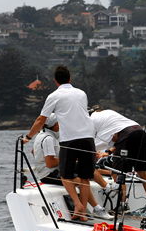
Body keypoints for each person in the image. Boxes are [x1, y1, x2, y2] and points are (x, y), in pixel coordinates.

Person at [23, 65, 96, 221]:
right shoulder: (82, 93)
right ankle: (82, 215)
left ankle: (77, 204)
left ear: (55, 81)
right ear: (70, 79)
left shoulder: (53, 96)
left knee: (65, 175)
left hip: (70, 138)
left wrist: (28, 137)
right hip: (88, 137)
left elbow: (41, 119)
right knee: (85, 178)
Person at [32, 114, 112, 220]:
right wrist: (69, 159)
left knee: (85, 165)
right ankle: (96, 207)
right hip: (49, 174)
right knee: (82, 181)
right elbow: (50, 163)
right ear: (56, 125)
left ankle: (106, 186)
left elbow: (33, 151)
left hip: (55, 169)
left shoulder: (41, 135)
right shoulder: (49, 139)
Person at [90, 106, 146, 204]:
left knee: (117, 173)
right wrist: (108, 152)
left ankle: (122, 205)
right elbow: (116, 138)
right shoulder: (109, 115)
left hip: (126, 134)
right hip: (140, 131)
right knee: (142, 171)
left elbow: (91, 144)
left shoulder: (91, 121)